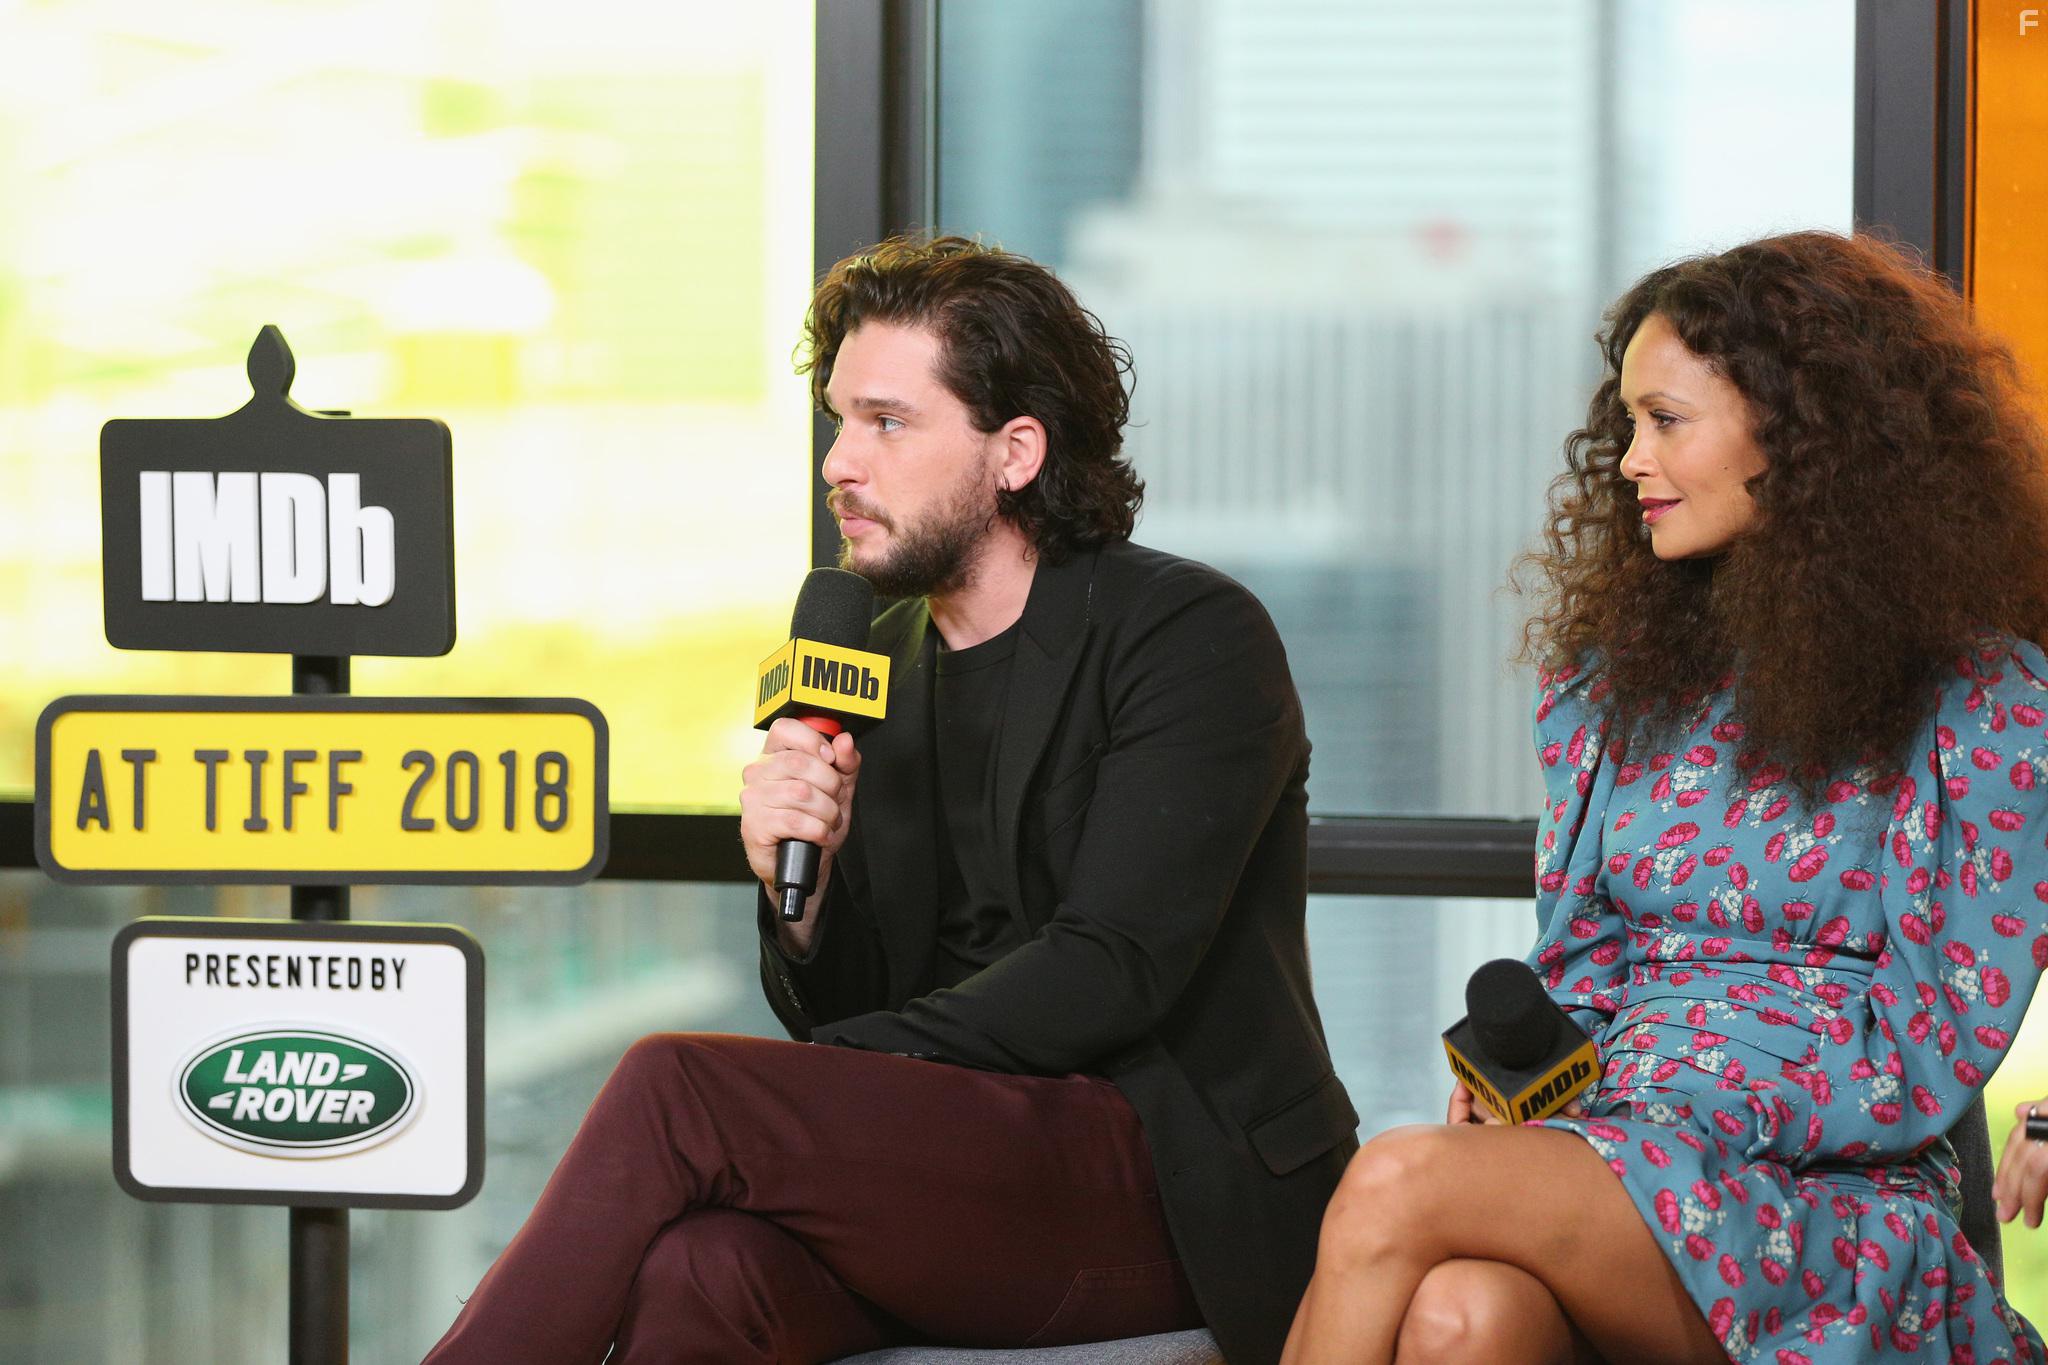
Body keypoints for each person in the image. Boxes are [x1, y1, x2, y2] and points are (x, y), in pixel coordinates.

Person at [422, 234, 1356, 1365]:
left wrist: (826, 1076)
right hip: (958, 1172)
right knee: (700, 1271)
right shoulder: (869, 660)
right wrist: (797, 895)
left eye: (886, 422)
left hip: (1164, 1178)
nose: (837, 463)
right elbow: (849, 1004)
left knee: (680, 1084)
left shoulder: (1186, 636)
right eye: (836, 420)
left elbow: (1111, 969)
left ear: (1013, 452)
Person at [1279, 231, 2048, 1365]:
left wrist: (1679, 1106)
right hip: (1619, 1141)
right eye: (1626, 423)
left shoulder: (1983, 701)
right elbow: (1580, 964)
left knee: (1393, 1177)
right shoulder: (1611, 686)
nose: (1629, 459)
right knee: (1461, 1316)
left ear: (1797, 439)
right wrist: (1522, 1094)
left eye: (1665, 421)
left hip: (1825, 1203)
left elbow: (1934, 1035)